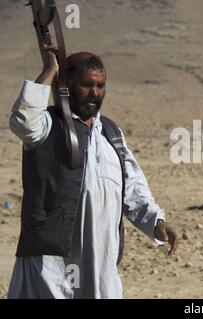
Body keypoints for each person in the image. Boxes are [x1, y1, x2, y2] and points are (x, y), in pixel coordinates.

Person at [7, 46, 179, 299]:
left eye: (100, 86)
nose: (94, 93)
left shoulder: (110, 132)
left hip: (100, 261)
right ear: (66, 85)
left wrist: (156, 221)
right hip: (51, 262)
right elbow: (22, 120)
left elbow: (133, 187)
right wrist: (49, 70)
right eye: (86, 85)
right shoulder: (47, 124)